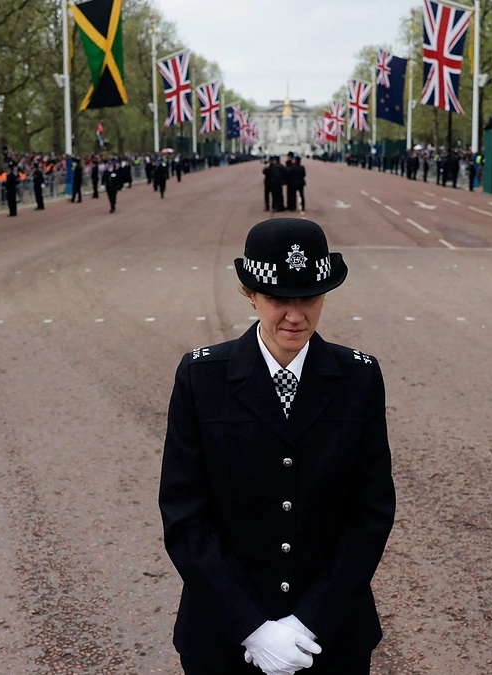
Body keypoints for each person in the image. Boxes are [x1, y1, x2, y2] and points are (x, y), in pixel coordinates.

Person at [160, 217, 395, 675]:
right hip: (223, 636)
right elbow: (185, 514)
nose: (295, 315)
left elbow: (370, 513)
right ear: (249, 293)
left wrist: (309, 622)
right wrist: (251, 626)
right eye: (277, 299)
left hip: (330, 636)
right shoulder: (201, 376)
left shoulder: (359, 377)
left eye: (308, 297)